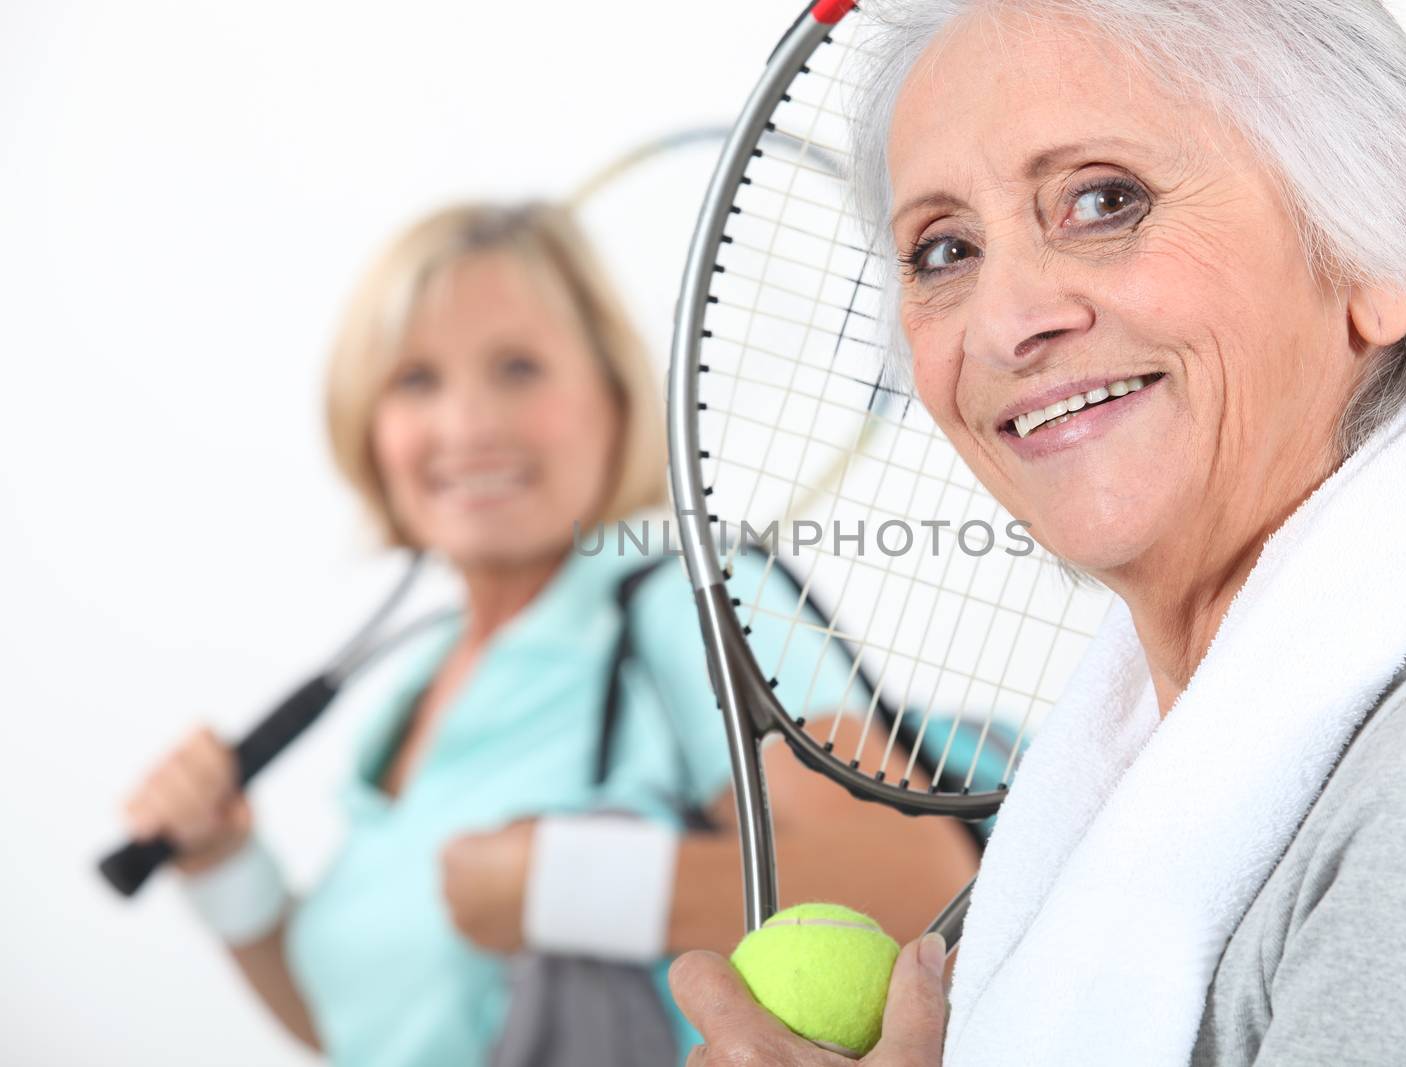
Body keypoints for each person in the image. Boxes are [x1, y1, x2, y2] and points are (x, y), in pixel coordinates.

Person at [670, 2, 1406, 1065]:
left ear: (1383, 238)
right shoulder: (1126, 794)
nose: (1006, 320)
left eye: (1103, 200)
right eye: (942, 250)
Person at [120, 201, 976, 1066]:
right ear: (368, 424)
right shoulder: (417, 688)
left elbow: (923, 883)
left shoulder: (692, 599)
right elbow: (372, 1024)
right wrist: (227, 865)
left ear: (612, 396)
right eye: (416, 379)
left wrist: (561, 884)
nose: (467, 425)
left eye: (519, 367)